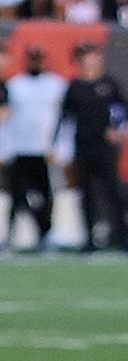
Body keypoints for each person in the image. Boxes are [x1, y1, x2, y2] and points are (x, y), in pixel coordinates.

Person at [60, 44, 128, 253]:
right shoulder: (75, 87)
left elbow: (123, 110)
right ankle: (89, 239)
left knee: (114, 191)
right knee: (86, 193)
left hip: (105, 147)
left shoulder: (109, 84)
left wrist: (116, 129)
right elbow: (66, 119)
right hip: (83, 146)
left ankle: (122, 236)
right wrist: (62, 149)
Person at [3, 48, 65, 251]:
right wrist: (5, 147)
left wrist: (60, 147)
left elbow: (64, 120)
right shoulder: (15, 85)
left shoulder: (56, 85)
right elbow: (7, 119)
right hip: (20, 149)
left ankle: (45, 234)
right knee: (17, 196)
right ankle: (10, 237)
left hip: (45, 150)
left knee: (46, 197)